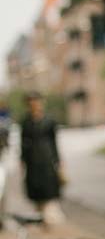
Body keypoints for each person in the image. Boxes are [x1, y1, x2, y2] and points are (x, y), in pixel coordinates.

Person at [20, 92, 65, 225]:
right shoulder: (26, 122)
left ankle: (49, 217)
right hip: (32, 160)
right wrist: (22, 159)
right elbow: (23, 143)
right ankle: (40, 215)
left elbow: (55, 142)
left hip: (47, 158)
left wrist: (59, 162)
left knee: (49, 188)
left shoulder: (49, 121)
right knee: (35, 188)